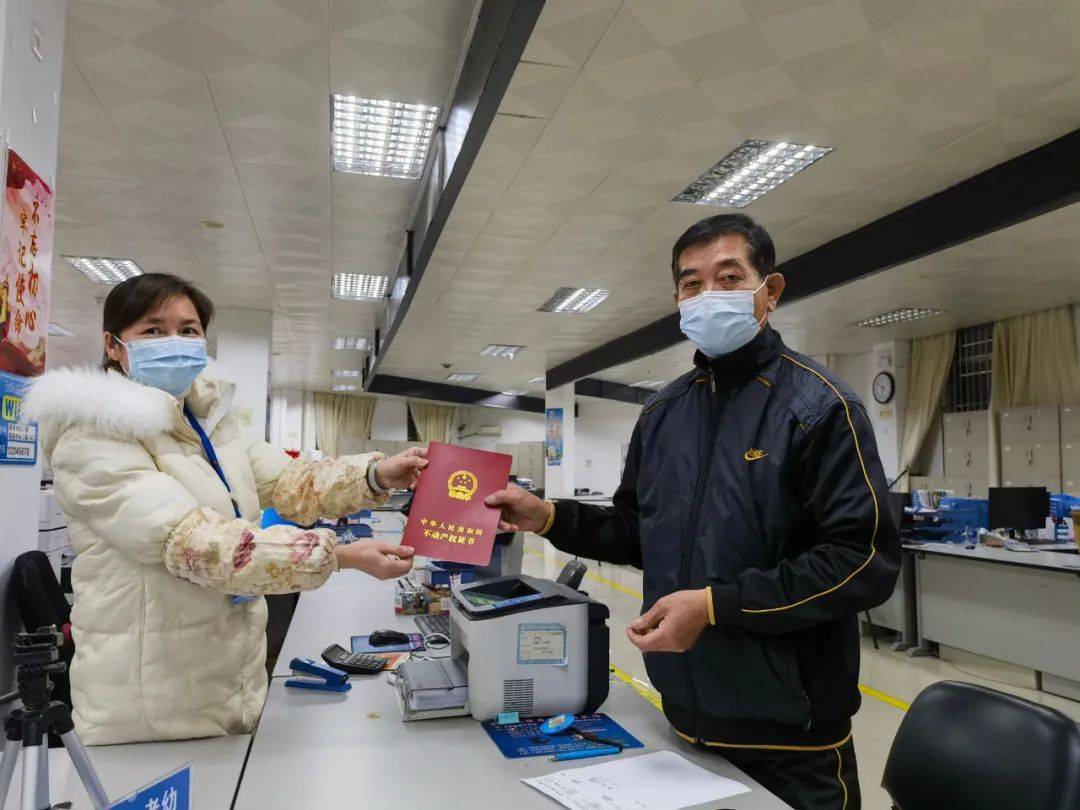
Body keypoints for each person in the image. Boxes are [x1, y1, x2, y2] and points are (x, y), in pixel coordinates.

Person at [487, 214, 900, 810]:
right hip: (683, 721)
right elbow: (635, 531)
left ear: (770, 291)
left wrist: (714, 606)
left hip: (791, 739)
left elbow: (863, 559)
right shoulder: (664, 413)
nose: (708, 295)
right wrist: (549, 516)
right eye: (690, 284)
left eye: (729, 278)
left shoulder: (819, 407)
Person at [25, 273, 425, 745]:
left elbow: (290, 482)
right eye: (153, 330)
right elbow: (195, 545)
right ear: (114, 345)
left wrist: (376, 476)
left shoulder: (209, 422)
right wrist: (340, 556)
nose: (175, 342)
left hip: (224, 671)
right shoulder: (93, 434)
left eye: (189, 330)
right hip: (150, 697)